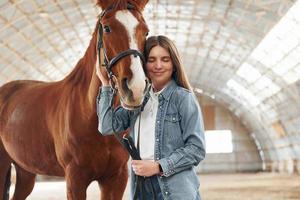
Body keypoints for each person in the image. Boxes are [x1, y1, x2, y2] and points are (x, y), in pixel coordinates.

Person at [96, 35, 206, 200]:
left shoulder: (183, 98)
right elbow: (106, 126)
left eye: (165, 59)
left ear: (174, 64)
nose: (158, 66)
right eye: (152, 59)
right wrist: (105, 85)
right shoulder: (138, 99)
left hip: (175, 190)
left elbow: (196, 149)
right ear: (143, 65)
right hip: (141, 188)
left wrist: (158, 167)